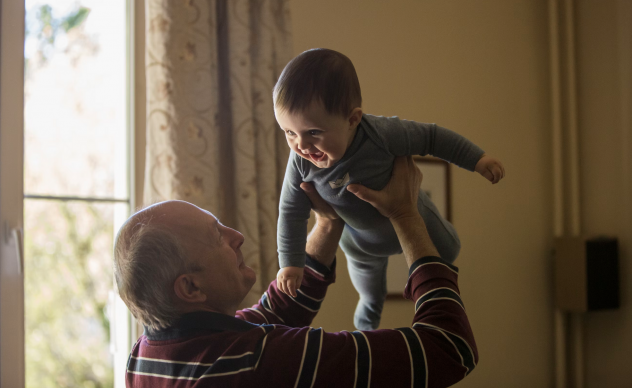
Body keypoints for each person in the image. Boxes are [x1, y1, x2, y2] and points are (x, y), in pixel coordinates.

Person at [115, 156, 478, 387]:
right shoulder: (259, 361)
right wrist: (406, 215)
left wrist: (327, 222)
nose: (237, 237)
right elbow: (448, 349)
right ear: (190, 288)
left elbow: (274, 312)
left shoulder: (146, 355)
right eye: (217, 237)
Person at [274, 48, 505, 330]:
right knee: (370, 293)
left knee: (450, 250)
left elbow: (432, 137)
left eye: (313, 132)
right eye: (289, 132)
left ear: (352, 119)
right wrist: (290, 263)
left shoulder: (382, 134)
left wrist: (477, 159)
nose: (301, 145)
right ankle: (366, 327)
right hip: (360, 243)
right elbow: (290, 212)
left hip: (414, 215)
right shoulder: (300, 162)